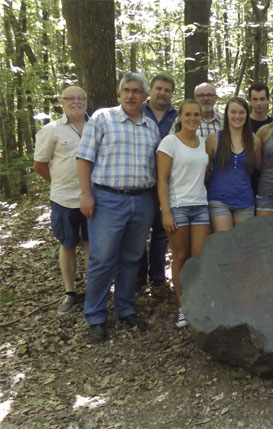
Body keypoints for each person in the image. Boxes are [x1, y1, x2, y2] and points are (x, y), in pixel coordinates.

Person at [77, 72, 160, 342]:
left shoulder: (151, 127)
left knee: (131, 259)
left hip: (142, 200)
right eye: (126, 90)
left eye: (137, 91)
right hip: (107, 200)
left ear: (145, 96)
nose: (131, 95)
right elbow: (83, 158)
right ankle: (96, 317)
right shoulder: (102, 118)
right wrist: (86, 195)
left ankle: (125, 309)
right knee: (102, 259)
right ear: (120, 92)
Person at [33, 86, 90, 314]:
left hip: (92, 198)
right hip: (63, 200)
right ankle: (69, 292)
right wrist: (57, 183)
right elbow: (39, 165)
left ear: (86, 101)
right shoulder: (52, 130)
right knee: (67, 245)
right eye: (71, 98)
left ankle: (93, 290)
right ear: (63, 102)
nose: (76, 102)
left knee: (91, 245)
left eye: (80, 98)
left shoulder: (97, 126)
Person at [157, 100, 210, 328]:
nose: (192, 118)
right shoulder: (169, 142)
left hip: (201, 206)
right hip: (178, 207)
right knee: (180, 257)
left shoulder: (204, 143)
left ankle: (196, 302)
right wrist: (166, 212)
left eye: (196, 114)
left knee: (197, 259)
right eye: (187, 114)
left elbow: (205, 174)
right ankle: (182, 306)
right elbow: (161, 180)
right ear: (179, 116)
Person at [138, 74, 178, 290]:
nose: (162, 93)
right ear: (150, 91)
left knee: (162, 233)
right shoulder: (138, 113)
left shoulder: (178, 116)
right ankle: (138, 277)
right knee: (139, 231)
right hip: (142, 183)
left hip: (168, 183)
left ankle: (157, 277)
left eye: (167, 90)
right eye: (159, 89)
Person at [206, 97, 258, 231]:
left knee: (243, 246)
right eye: (233, 112)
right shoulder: (213, 140)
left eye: (241, 112)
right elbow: (204, 171)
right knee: (224, 243)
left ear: (247, 114)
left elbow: (258, 168)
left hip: (245, 201)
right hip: (219, 200)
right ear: (227, 114)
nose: (237, 116)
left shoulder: (255, 141)